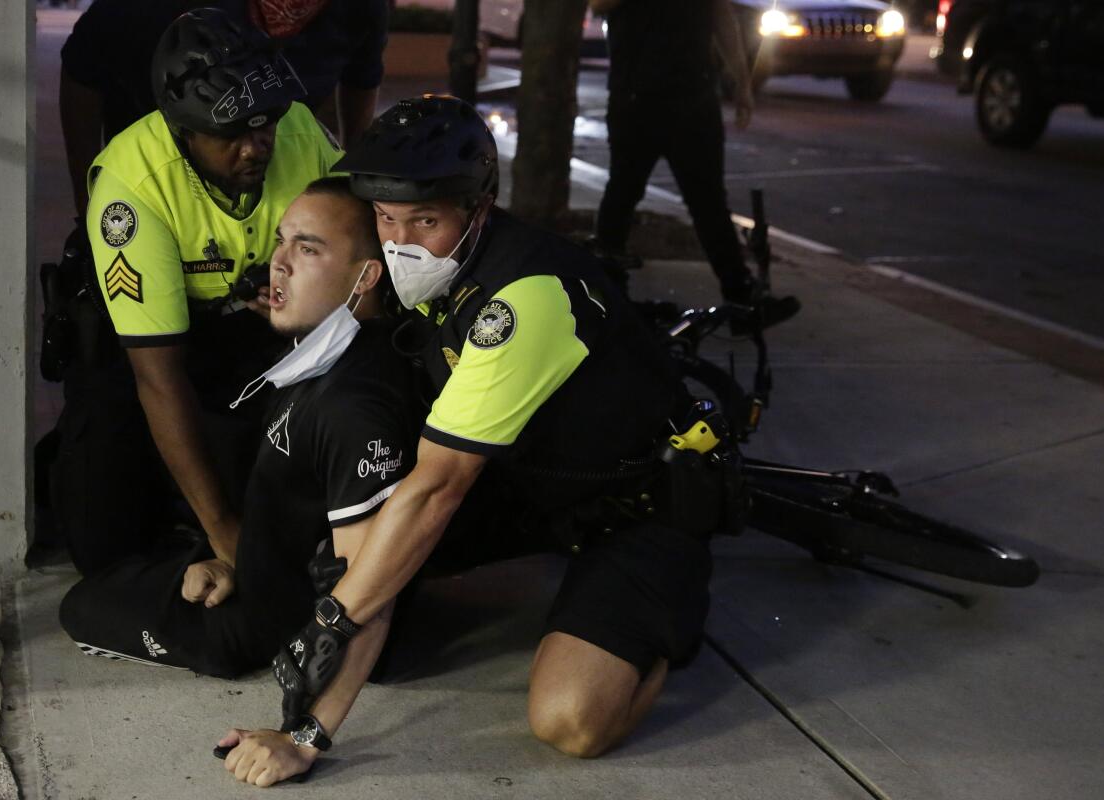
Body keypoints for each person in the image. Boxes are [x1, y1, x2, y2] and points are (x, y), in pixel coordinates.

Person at [215, 95, 744, 787]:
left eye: (426, 221)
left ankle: (662, 625)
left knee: (570, 720)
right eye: (386, 220)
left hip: (632, 507)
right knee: (355, 552)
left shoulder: (522, 301)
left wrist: (313, 709)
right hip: (529, 482)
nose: (402, 243)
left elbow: (434, 491)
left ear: (478, 210)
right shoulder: (431, 264)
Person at [58, 177, 418, 681]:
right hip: (254, 569)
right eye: (280, 240)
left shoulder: (353, 404)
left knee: (82, 605)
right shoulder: (339, 353)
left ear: (365, 277)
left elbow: (360, 583)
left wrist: (304, 731)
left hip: (259, 621)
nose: (280, 262)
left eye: (308, 249)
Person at [48, 8, 343, 575]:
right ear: (184, 129)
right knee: (104, 550)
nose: (257, 146)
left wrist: (303, 304)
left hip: (256, 339)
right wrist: (225, 533)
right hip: (143, 356)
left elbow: (361, 273)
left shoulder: (302, 135)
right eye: (232, 134)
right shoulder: (131, 187)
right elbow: (158, 377)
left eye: (265, 124)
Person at [59, 0, 388, 216]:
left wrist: (356, 182)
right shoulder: (145, 13)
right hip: (157, 182)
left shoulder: (358, 9)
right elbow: (81, 69)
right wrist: (89, 202)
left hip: (265, 190)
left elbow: (362, 78)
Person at [587, 0, 799, 327]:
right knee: (624, 191)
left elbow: (721, 16)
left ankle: (740, 295)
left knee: (708, 200)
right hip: (637, 96)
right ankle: (608, 290)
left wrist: (742, 81)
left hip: (693, 96)